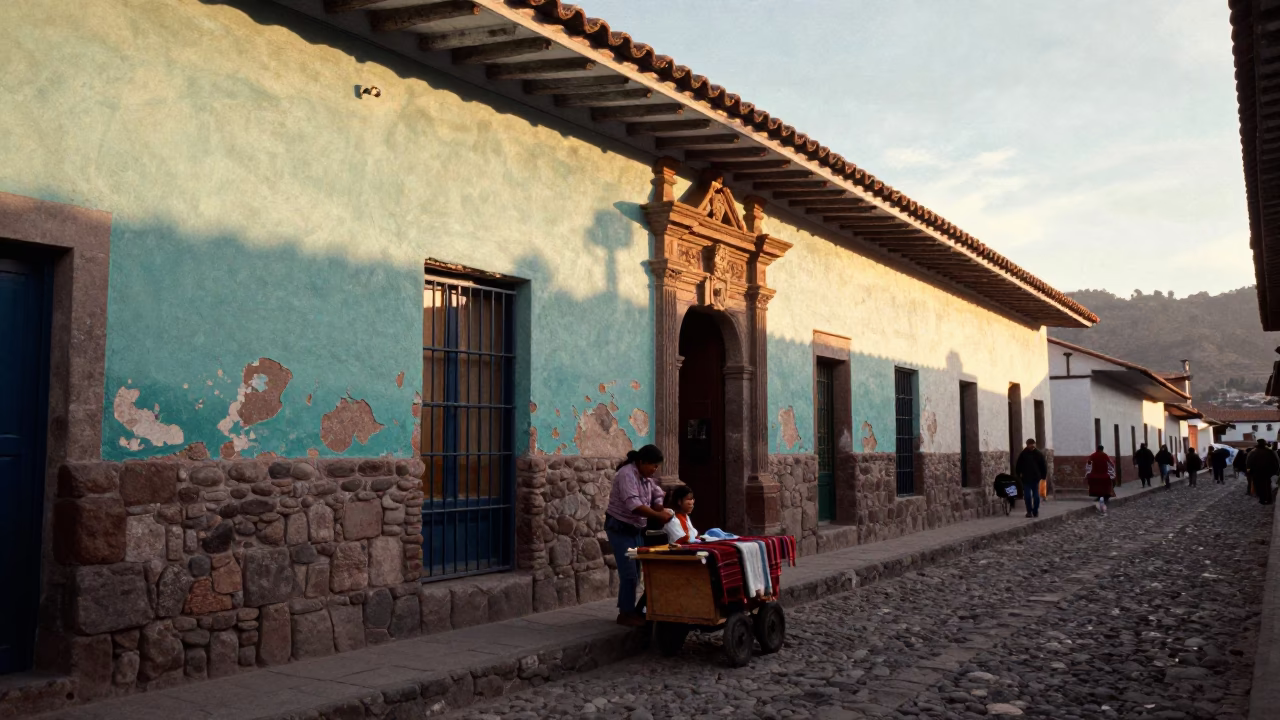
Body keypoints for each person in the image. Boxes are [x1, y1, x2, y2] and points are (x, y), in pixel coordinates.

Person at [604, 445, 671, 627]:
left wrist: (659, 506)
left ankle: (631, 609)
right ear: (641, 462)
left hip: (636, 529)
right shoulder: (627, 474)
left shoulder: (646, 478)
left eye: (657, 467)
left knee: (637, 570)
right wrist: (658, 515)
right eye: (653, 466)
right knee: (629, 573)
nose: (655, 470)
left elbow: (657, 493)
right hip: (620, 528)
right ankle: (625, 613)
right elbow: (633, 504)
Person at [1015, 438, 1048, 518]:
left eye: (1033, 444)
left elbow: (1043, 466)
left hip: (1034, 478)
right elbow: (1018, 465)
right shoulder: (1024, 454)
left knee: (1035, 496)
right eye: (1030, 444)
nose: (1032, 446)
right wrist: (1019, 475)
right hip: (1027, 478)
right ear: (1027, 445)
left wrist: (1043, 476)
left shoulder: (1037, 454)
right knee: (1028, 496)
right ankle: (1030, 511)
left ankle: (1034, 511)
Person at [1085, 444, 1116, 515]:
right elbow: (1111, 464)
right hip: (1104, 475)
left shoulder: (1093, 455)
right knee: (1106, 486)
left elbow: (1088, 464)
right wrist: (1112, 474)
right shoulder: (1105, 455)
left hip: (1094, 475)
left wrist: (1088, 473)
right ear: (1102, 449)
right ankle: (1105, 496)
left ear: (1097, 449)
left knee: (1097, 487)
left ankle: (1099, 497)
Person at [1247, 438, 1279, 506]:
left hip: (1257, 472)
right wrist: (1274, 471)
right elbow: (1275, 462)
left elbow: (1249, 463)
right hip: (1267, 472)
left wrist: (1249, 471)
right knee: (1267, 485)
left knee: (1259, 486)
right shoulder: (1269, 452)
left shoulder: (1254, 452)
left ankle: (1262, 499)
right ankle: (1269, 499)